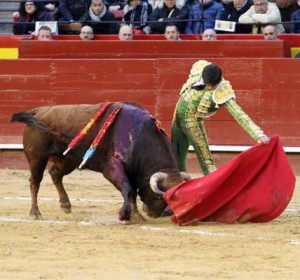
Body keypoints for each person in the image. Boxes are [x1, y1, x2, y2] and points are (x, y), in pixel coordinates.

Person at [171, 60, 270, 175]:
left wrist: (258, 134)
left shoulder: (223, 90)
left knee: (206, 161)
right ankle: (177, 185)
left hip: (193, 122)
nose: (209, 87)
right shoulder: (200, 68)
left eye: (212, 85)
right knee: (175, 155)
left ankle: (214, 189)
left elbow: (240, 114)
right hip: (177, 117)